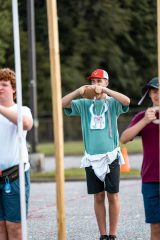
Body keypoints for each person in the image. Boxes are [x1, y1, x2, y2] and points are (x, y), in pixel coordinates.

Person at [62, 69, 130, 240]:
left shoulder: (113, 103)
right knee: (98, 196)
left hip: (110, 156)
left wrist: (105, 91)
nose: (95, 85)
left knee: (112, 195)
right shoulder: (84, 104)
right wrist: (79, 91)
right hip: (91, 157)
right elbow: (62, 103)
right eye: (93, 81)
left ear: (106, 82)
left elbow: (127, 101)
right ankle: (103, 234)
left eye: (99, 81)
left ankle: (112, 234)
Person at [120, 77, 160, 240]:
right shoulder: (143, 116)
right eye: (154, 91)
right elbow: (124, 138)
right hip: (150, 179)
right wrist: (145, 120)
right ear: (149, 95)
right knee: (156, 227)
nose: (157, 95)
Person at [0, 68, 33, 240]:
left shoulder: (22, 109)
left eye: (4, 84)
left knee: (14, 228)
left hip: (14, 177)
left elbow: (26, 124)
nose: (0, 87)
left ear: (13, 89)